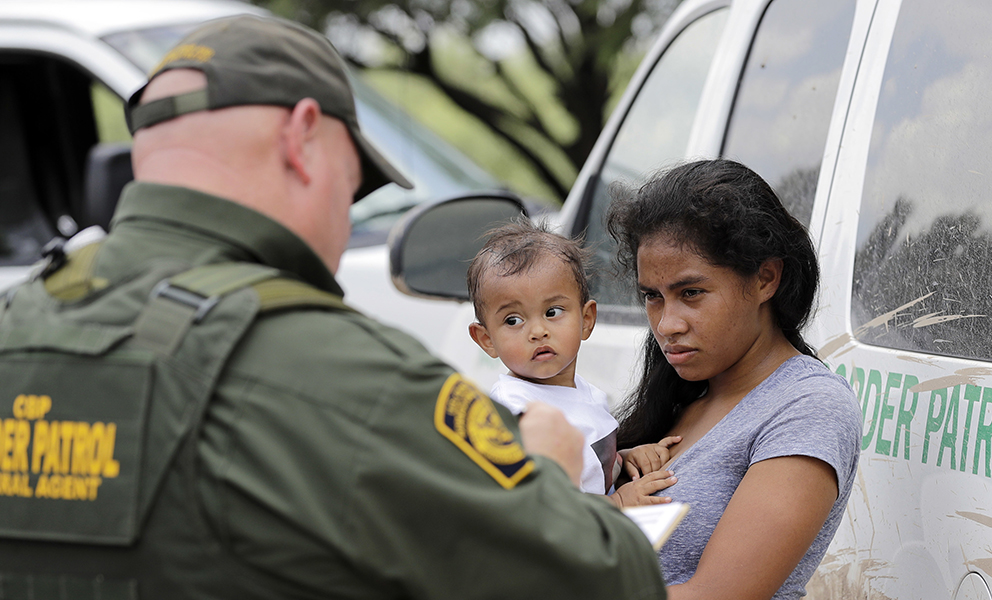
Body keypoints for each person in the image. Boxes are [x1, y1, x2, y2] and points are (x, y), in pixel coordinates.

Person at [0, 15, 666, 599]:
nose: (345, 226)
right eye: (353, 188)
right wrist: (549, 473)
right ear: (303, 136)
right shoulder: (345, 375)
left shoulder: (14, 329)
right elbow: (607, 581)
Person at [605, 159, 861, 600]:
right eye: (652, 297)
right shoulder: (680, 397)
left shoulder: (808, 406)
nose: (666, 324)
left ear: (765, 278)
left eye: (691, 293)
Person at [466, 218, 678, 504]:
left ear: (586, 319)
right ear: (486, 339)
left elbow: (587, 468)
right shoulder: (517, 412)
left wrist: (626, 458)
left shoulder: (582, 392)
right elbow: (545, 506)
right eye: (513, 320)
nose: (538, 331)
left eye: (552, 312)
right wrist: (619, 503)